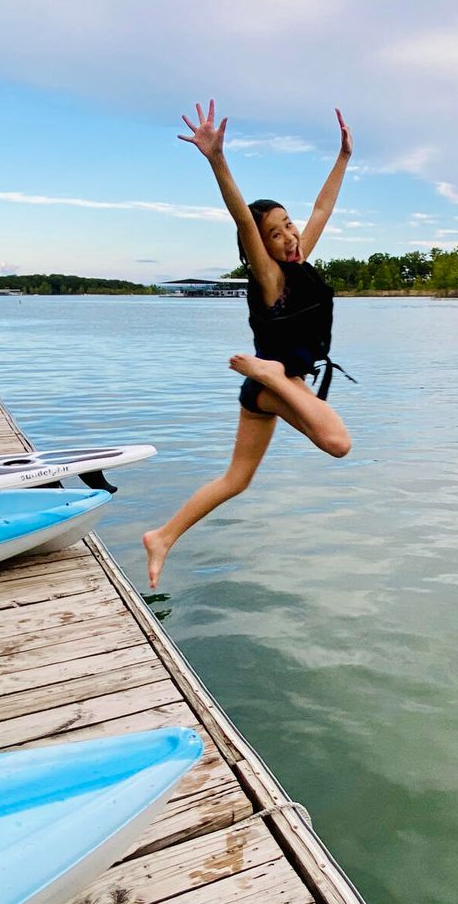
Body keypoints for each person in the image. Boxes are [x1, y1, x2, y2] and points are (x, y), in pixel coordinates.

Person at [141, 99, 354, 588]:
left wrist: (342, 157)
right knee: (338, 442)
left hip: (269, 388)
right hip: (270, 382)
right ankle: (268, 373)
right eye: (274, 235)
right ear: (261, 246)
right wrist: (217, 160)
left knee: (237, 479)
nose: (288, 238)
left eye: (288, 226)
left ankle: (162, 536)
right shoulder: (270, 279)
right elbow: (242, 218)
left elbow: (322, 208)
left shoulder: (301, 262)